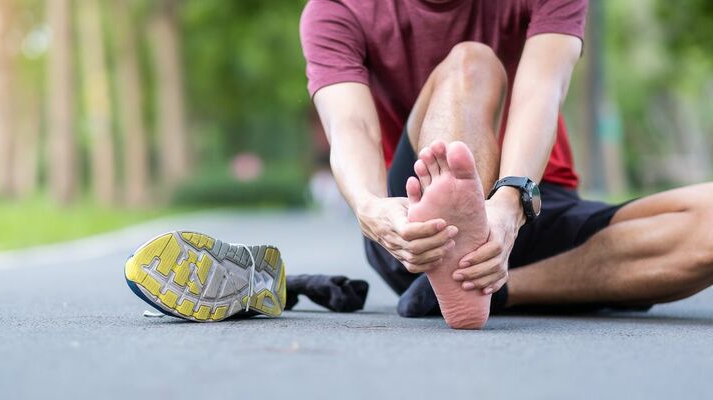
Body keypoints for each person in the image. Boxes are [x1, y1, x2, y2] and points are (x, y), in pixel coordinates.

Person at [300, 0, 713, 329]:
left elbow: (541, 91)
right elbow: (351, 126)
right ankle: (456, 248)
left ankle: (497, 289)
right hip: (417, 235)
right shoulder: (335, 9)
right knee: (472, 63)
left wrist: (508, 205)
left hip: (531, 201)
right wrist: (371, 207)